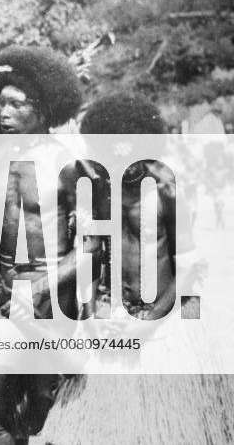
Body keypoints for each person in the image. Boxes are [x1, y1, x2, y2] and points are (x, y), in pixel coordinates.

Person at [40, 92, 234, 444]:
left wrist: (146, 324)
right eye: (111, 145)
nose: (120, 152)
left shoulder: (167, 191)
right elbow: (91, 260)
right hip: (109, 321)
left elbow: (189, 273)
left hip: (162, 325)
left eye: (129, 144)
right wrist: (91, 318)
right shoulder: (97, 194)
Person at [0, 45, 83, 445]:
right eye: (1, 103)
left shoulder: (70, 165)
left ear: (42, 109)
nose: (4, 113)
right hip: (5, 298)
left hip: (51, 301)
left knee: (40, 407)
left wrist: (38, 290)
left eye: (15, 104)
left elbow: (90, 246)